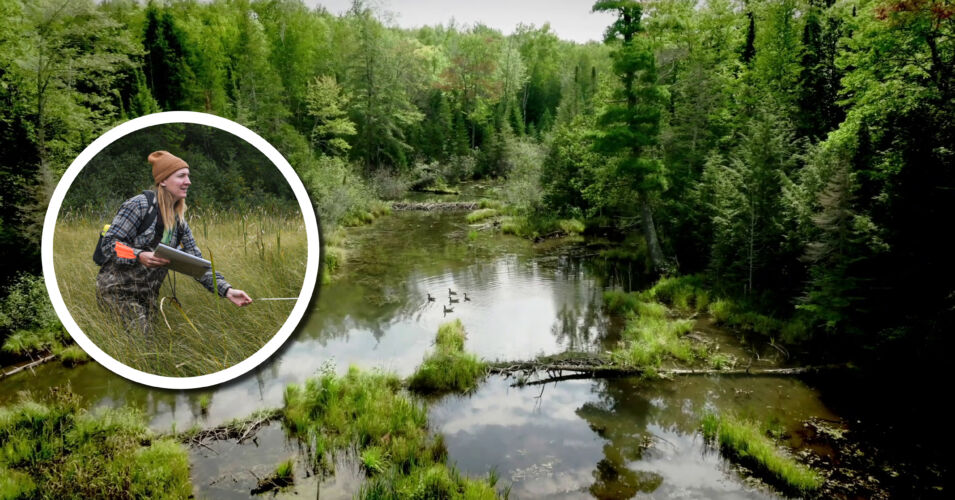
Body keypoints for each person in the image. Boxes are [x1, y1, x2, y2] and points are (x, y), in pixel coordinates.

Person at [96, 150, 252, 335]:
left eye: (188, 176)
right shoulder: (139, 206)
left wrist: (227, 291)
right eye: (181, 176)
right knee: (141, 341)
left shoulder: (180, 224)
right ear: (163, 180)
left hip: (148, 297)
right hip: (117, 291)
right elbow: (109, 244)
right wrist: (139, 255)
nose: (188, 181)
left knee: (146, 349)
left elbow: (198, 265)